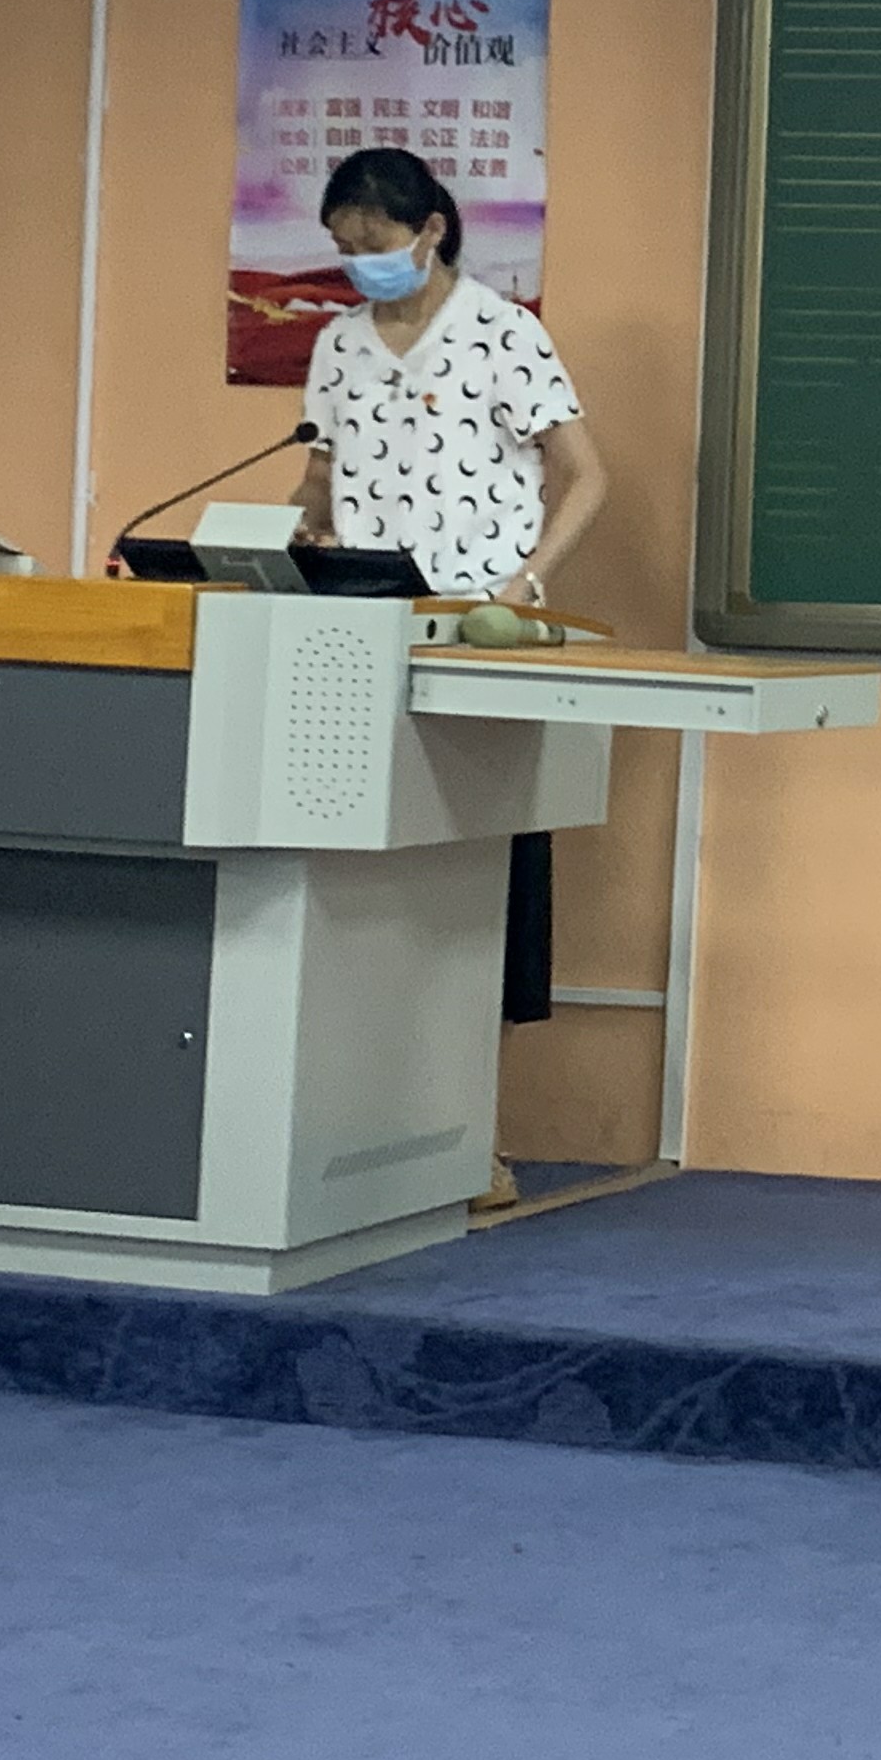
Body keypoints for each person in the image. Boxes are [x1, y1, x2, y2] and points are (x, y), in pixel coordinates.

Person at [291, 145, 607, 1212]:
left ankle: (475, 1138)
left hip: (480, 637)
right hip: (361, 638)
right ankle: (360, 1137)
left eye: (374, 244)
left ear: (430, 230)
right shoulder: (337, 345)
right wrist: (298, 532)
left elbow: (587, 476)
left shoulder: (503, 333)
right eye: (343, 249)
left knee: (485, 885)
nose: (359, 265)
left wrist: (528, 582)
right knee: (370, 882)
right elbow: (319, 479)